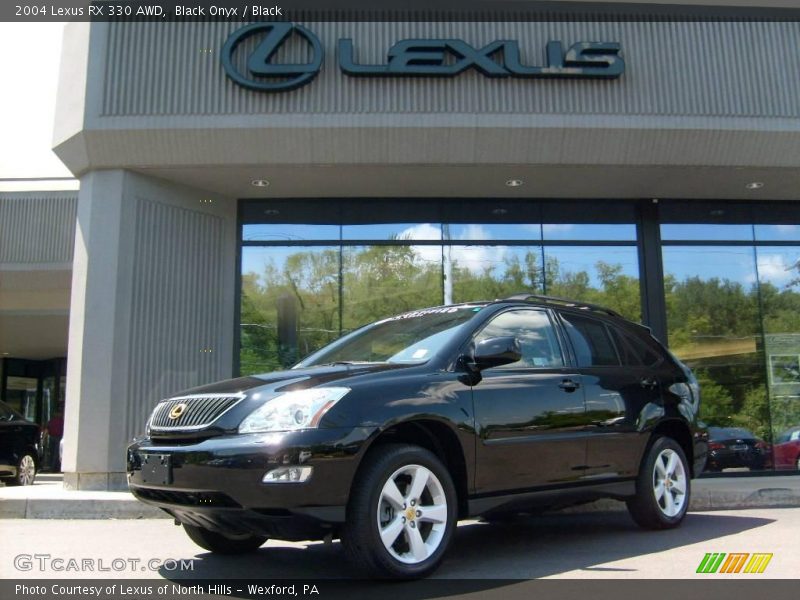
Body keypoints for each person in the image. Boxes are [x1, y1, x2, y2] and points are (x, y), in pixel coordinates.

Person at [45, 407, 64, 472]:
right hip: (58, 438)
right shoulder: (62, 421)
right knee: (56, 454)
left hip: (52, 437)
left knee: (52, 453)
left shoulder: (52, 421)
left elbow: (47, 429)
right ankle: (54, 468)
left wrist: (44, 437)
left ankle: (52, 468)